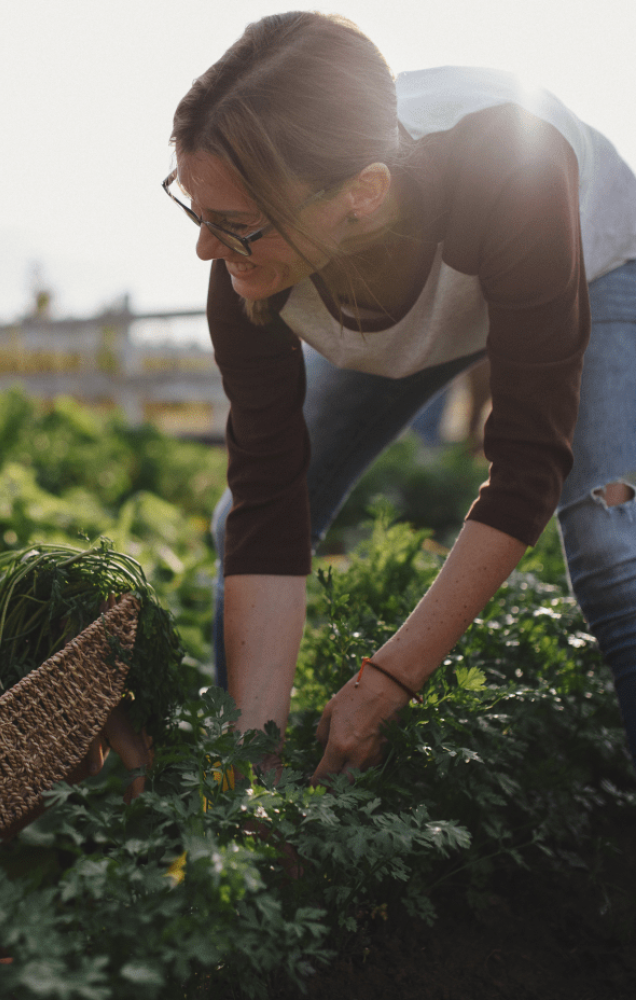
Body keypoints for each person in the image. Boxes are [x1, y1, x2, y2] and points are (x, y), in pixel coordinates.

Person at [164, 12, 636, 782]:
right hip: (387, 275)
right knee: (241, 520)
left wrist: (389, 680)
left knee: (615, 555)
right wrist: (255, 774)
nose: (206, 250)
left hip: (586, 264)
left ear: (362, 193)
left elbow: (526, 463)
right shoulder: (247, 257)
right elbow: (270, 500)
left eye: (236, 225)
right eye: (197, 209)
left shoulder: (515, 167)